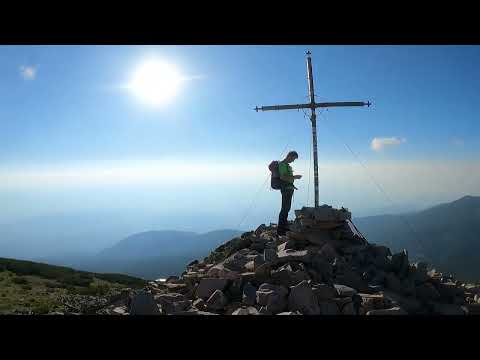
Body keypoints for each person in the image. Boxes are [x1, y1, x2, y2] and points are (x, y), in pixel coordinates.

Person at [277, 151, 302, 236]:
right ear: (289, 156)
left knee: (286, 208)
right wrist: (295, 177)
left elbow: (286, 177)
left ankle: (283, 227)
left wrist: (293, 178)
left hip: (289, 189)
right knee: (284, 209)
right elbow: (283, 177)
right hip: (286, 189)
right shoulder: (282, 165)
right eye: (293, 159)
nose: (293, 161)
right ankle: (281, 230)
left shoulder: (287, 166)